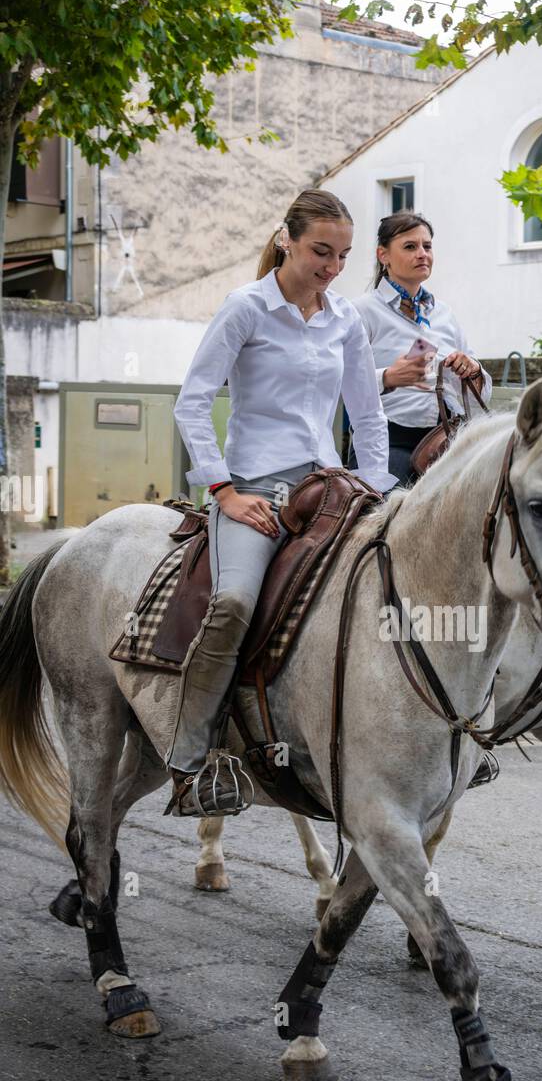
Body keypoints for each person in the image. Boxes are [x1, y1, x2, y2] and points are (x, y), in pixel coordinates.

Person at [166, 188, 397, 817]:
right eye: (321, 251)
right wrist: (223, 490)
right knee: (235, 601)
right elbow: (192, 401)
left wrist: (374, 481)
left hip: (330, 484)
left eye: (344, 256)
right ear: (286, 239)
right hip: (256, 485)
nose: (331, 266)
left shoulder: (345, 318)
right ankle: (189, 762)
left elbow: (368, 415)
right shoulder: (246, 307)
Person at [350, 212, 493, 485]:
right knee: (386, 514)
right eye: (410, 247)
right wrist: (388, 377)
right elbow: (338, 381)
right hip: (389, 440)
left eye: (427, 246)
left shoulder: (444, 314)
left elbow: (479, 398)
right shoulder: (361, 311)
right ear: (384, 255)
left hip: (447, 440)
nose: (422, 254)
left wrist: (472, 370)